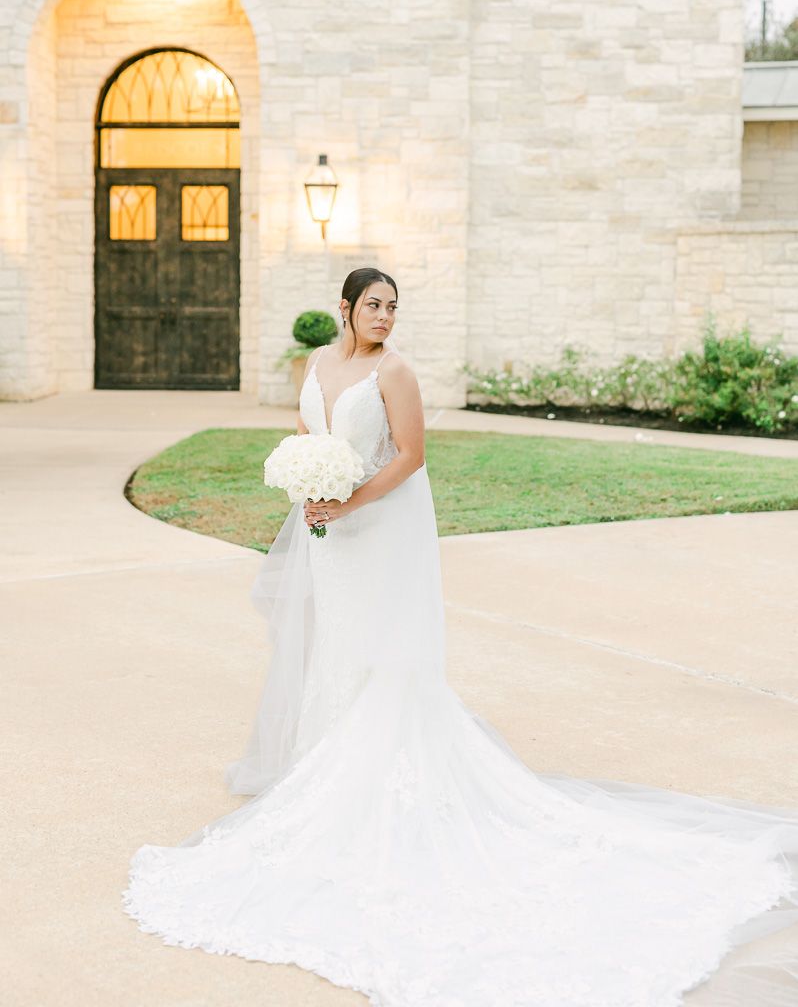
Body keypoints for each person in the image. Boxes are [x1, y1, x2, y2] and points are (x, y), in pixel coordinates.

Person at [123, 267, 798, 1006]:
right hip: (329, 530)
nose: (384, 316)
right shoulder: (318, 365)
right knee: (335, 647)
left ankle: (377, 782)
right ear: (343, 309)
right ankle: (324, 766)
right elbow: (304, 433)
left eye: (393, 307)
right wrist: (307, 484)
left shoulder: (397, 370)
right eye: (373, 305)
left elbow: (411, 456)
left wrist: (347, 501)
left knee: (381, 655)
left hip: (375, 529)